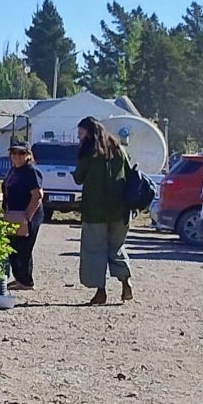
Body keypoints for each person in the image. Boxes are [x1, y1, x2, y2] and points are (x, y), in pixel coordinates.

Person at [74, 116, 136, 305]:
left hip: (95, 211)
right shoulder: (119, 149)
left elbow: (78, 178)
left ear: (89, 132)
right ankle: (126, 282)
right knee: (116, 248)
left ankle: (101, 292)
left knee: (95, 251)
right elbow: (130, 173)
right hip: (121, 211)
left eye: (81, 133)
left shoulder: (89, 152)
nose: (79, 137)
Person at [1, 144, 47, 290]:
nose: (17, 156)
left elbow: (38, 195)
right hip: (14, 214)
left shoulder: (31, 171)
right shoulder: (13, 170)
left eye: (21, 153)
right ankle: (19, 278)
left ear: (28, 154)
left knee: (23, 247)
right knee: (12, 246)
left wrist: (27, 216)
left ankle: (26, 281)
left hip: (28, 214)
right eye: (13, 152)